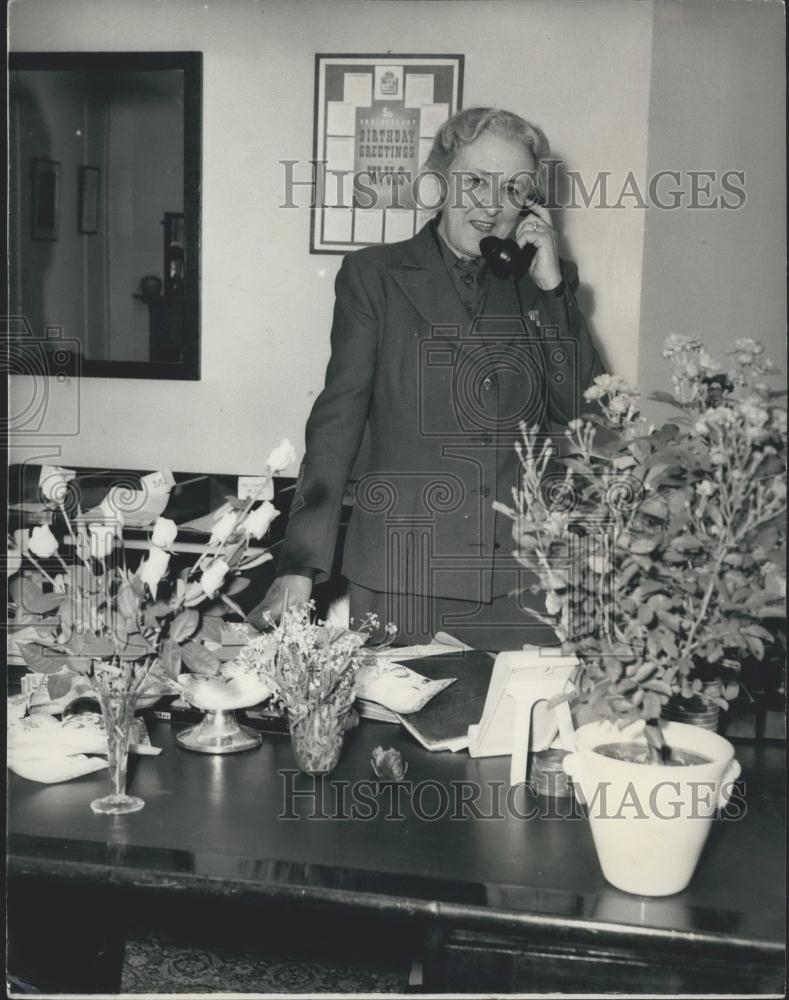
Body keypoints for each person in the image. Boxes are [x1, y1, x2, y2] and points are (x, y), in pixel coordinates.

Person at [248, 107, 604, 649]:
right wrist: (300, 563)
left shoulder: (542, 285)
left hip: (520, 580)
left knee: (516, 732)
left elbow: (585, 415)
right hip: (402, 575)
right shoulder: (375, 278)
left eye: (512, 189)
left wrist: (553, 289)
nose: (491, 205)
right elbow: (337, 423)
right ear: (439, 181)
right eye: (476, 181)